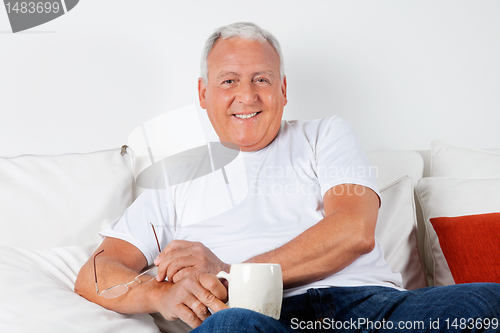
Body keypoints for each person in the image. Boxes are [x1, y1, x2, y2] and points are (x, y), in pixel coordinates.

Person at [75, 22, 500, 332]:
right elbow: (96, 272)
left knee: (487, 301)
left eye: (262, 79)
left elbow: (353, 230)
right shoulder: (173, 179)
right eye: (228, 81)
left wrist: (229, 272)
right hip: (256, 317)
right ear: (203, 94)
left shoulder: (324, 135)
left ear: (283, 89)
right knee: (231, 330)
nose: (247, 95)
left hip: (370, 311)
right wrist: (158, 294)